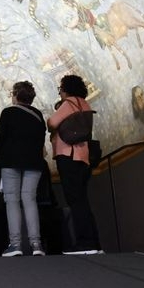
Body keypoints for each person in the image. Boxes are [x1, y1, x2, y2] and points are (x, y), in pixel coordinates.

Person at [47, 74, 101, 254]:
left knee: (75, 200)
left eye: (60, 89)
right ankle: (94, 242)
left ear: (66, 89)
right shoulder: (84, 104)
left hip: (68, 155)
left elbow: (52, 122)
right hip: (83, 156)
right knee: (82, 199)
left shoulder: (68, 104)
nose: (60, 92)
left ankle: (85, 243)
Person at [0, 81, 47, 257]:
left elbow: (0, 139)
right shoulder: (38, 114)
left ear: (16, 95)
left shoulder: (8, 112)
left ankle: (16, 244)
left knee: (12, 200)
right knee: (30, 200)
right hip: (34, 162)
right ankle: (36, 244)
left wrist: (3, 154)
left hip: (11, 160)